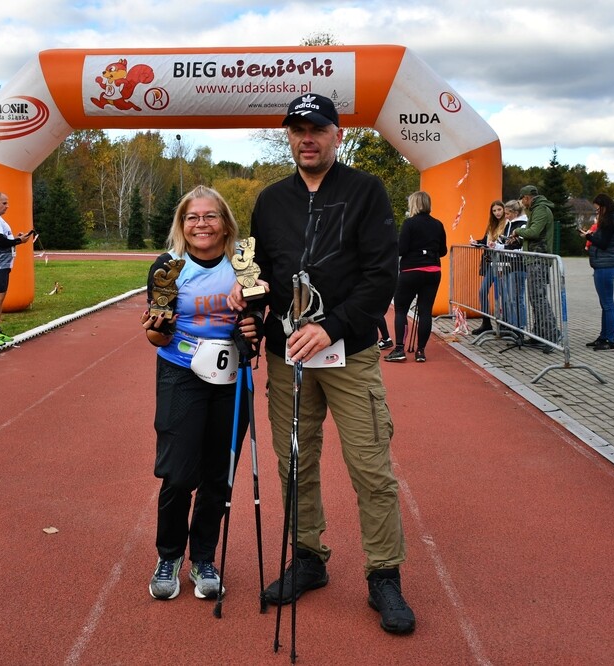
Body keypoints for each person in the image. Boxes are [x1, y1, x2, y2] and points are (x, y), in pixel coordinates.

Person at [227, 94, 415, 634]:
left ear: (338, 134)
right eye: (296, 130)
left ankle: (384, 574)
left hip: (348, 353)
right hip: (287, 356)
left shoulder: (366, 190)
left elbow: (381, 276)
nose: (306, 138)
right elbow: (260, 272)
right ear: (288, 137)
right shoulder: (270, 200)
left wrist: (331, 326)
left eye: (316, 129)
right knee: (294, 462)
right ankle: (307, 558)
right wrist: (250, 303)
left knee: (370, 466)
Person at [140, 185, 258, 601]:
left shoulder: (244, 264)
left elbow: (260, 317)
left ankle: (204, 557)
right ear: (182, 224)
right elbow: (155, 336)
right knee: (178, 473)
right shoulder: (169, 267)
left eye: (210, 216)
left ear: (225, 223)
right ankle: (169, 556)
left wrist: (253, 326)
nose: (201, 224)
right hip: (181, 372)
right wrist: (158, 328)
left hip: (231, 377)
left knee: (219, 473)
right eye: (192, 217)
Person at [384, 191, 447, 363]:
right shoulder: (438, 224)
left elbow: (402, 249)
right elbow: (443, 251)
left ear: (414, 204)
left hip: (411, 270)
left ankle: (399, 349)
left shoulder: (409, 223)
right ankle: (420, 351)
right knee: (425, 311)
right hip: (433, 271)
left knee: (401, 310)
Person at [0, 192, 35, 346]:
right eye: (4, 203)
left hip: (3, 264)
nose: (7, 206)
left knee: (0, 298)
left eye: (7, 203)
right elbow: (0, 242)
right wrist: (19, 241)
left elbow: (5, 239)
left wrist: (16, 238)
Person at [510, 185, 558, 349]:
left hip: (538, 258)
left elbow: (534, 232)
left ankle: (552, 334)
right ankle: (539, 334)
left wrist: (518, 231)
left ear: (527, 197)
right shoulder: (536, 210)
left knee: (538, 298)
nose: (522, 202)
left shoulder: (540, 210)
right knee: (535, 298)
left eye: (522, 199)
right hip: (534, 258)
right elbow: (534, 234)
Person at [580, 193, 614, 351]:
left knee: (607, 304)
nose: (597, 212)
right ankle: (603, 336)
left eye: (598, 209)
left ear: (604, 206)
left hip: (605, 265)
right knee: (605, 304)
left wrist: (589, 237)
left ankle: (610, 340)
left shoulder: (610, 221)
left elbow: (604, 243)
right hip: (605, 264)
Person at [470, 200, 507, 334]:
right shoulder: (491, 225)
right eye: (494, 210)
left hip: (503, 262)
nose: (497, 213)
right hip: (490, 262)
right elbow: (485, 241)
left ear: (504, 210)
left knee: (503, 293)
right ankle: (486, 322)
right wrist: (476, 242)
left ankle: (506, 324)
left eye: (499, 210)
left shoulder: (507, 224)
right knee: (483, 291)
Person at [499, 200, 527, 330]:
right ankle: (511, 324)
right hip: (508, 263)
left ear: (515, 213)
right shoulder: (509, 224)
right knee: (510, 297)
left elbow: (518, 245)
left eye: (507, 214)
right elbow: (508, 242)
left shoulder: (523, 224)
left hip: (518, 264)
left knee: (517, 298)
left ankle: (519, 327)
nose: (505, 216)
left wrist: (502, 246)